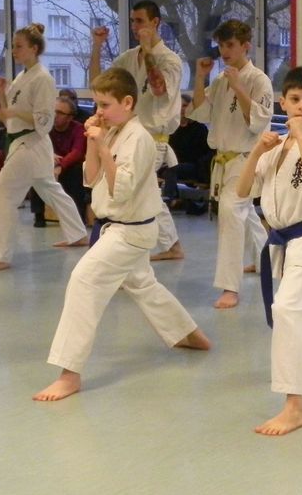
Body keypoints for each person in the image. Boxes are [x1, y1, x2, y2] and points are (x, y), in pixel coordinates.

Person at [34, 69, 210, 401]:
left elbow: (122, 190)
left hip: (131, 231)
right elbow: (90, 179)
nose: (98, 112)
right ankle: (191, 334)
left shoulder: (139, 139)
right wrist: (94, 142)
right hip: (117, 227)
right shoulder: (112, 132)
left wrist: (102, 145)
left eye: (105, 105)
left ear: (127, 103)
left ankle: (69, 374)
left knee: (84, 280)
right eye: (96, 104)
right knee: (142, 284)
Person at [237, 66, 302, 436]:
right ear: (283, 102)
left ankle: (293, 405)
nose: (301, 106)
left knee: (288, 309)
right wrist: (256, 151)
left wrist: (301, 137)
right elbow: (242, 191)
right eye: (295, 99)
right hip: (283, 241)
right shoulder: (275, 148)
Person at [0, 23, 88, 273]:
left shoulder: (43, 78)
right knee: (50, 189)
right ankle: (78, 233)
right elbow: (10, 113)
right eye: (13, 46)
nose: (14, 51)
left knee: (4, 194)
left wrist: (13, 111)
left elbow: (44, 120)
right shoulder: (23, 76)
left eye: (19, 46)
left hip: (31, 142)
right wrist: (2, 93)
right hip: (27, 142)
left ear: (34, 48)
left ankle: (0, 256)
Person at [188, 18, 273, 308]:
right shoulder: (220, 80)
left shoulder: (259, 80)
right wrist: (200, 77)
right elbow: (200, 112)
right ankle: (266, 260)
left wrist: (239, 87)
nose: (224, 51)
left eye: (230, 45)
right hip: (223, 160)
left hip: (246, 159)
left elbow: (257, 122)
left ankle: (230, 287)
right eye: (221, 45)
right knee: (244, 213)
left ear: (245, 46)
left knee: (230, 212)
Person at [91, 0, 185, 262]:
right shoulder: (128, 58)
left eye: (140, 21)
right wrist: (97, 47)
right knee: (146, 190)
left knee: (129, 189)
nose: (135, 26)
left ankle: (130, 246)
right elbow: (98, 83)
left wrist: (148, 51)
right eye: (133, 21)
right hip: (127, 134)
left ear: (155, 23)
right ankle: (172, 245)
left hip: (153, 137)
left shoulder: (170, 59)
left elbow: (158, 89)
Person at [30, 94, 88, 227]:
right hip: (50, 164)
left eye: (60, 113)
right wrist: (50, 156)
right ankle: (39, 215)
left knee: (76, 171)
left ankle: (78, 216)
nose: (55, 115)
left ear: (70, 117)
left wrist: (60, 165)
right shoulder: (45, 127)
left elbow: (77, 152)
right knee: (36, 170)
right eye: (53, 111)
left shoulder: (79, 129)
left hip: (70, 166)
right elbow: (36, 145)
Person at [161, 93, 213, 214]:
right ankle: (175, 201)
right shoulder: (173, 128)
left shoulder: (199, 128)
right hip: (175, 165)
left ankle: (170, 200)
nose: (181, 109)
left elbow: (207, 152)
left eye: (184, 106)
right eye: (179, 106)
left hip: (194, 166)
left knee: (171, 169)